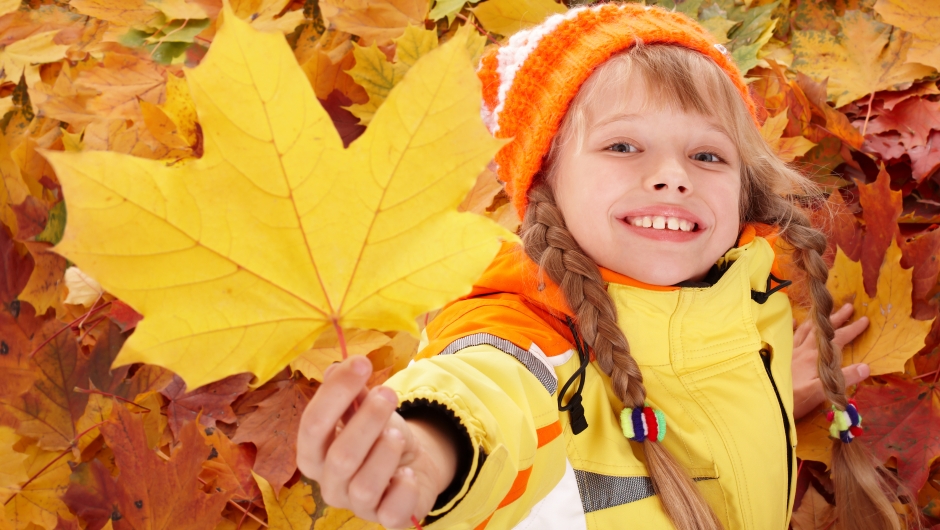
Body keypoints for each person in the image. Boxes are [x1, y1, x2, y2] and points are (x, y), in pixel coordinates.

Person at [296, 4, 905, 529]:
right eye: (623, 145)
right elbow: (489, 394)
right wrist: (427, 446)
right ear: (545, 185)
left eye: (708, 154)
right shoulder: (529, 335)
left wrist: (761, 391)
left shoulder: (746, 299)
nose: (673, 174)